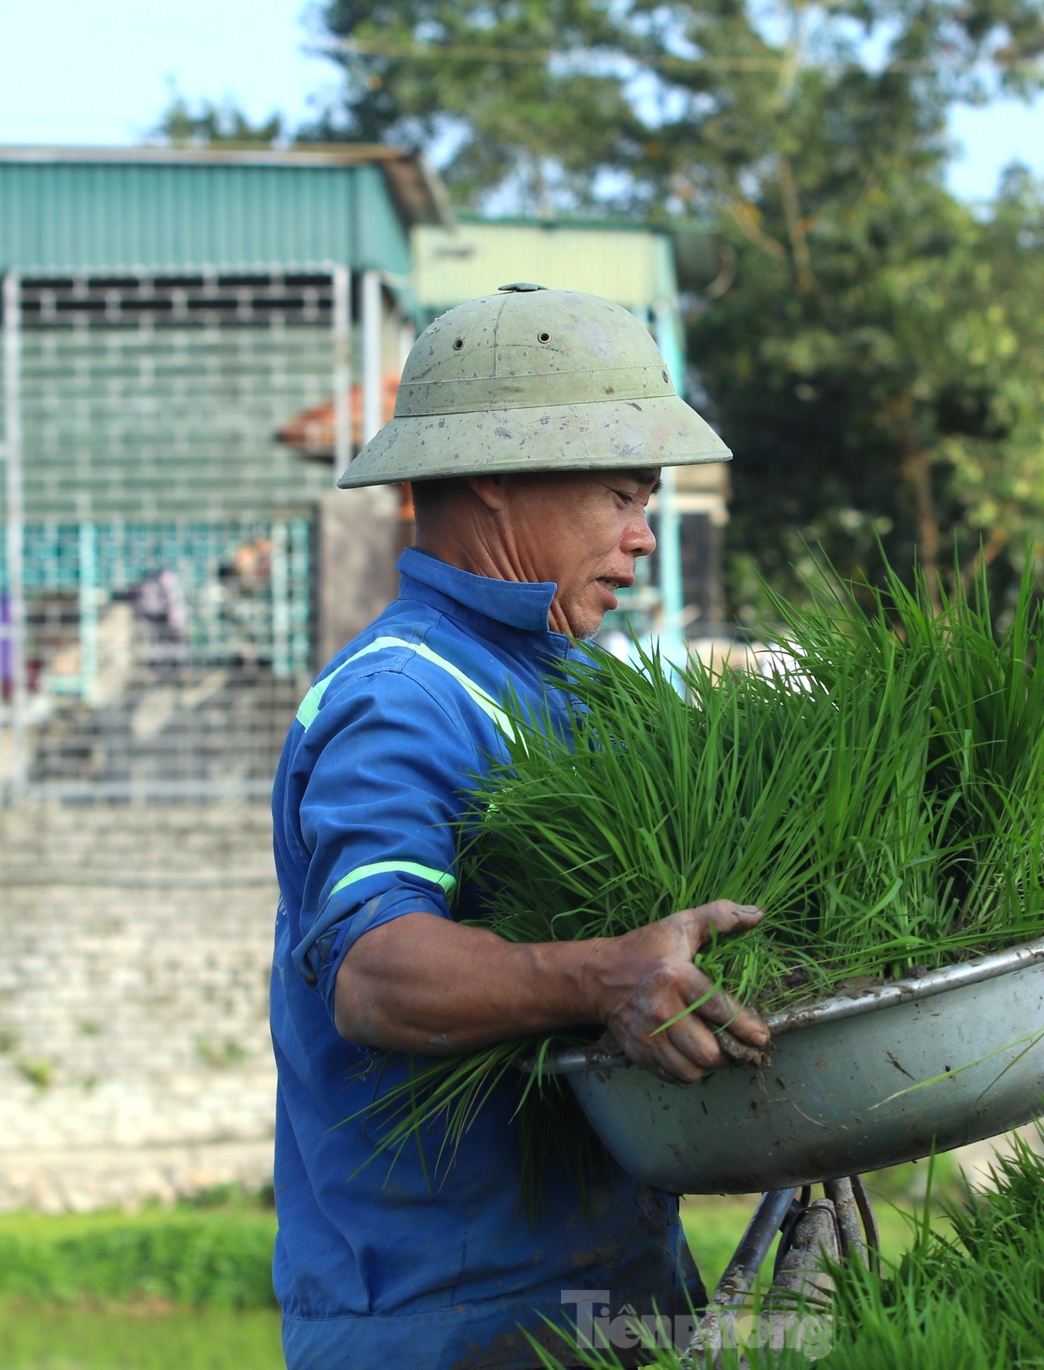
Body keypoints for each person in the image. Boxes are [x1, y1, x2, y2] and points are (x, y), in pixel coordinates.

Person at [269, 285, 771, 1369]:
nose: (643, 537)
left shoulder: (578, 685)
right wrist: (601, 977)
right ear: (493, 473)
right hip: (451, 1314)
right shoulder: (404, 695)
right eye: (620, 495)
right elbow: (374, 971)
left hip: (612, 1274)